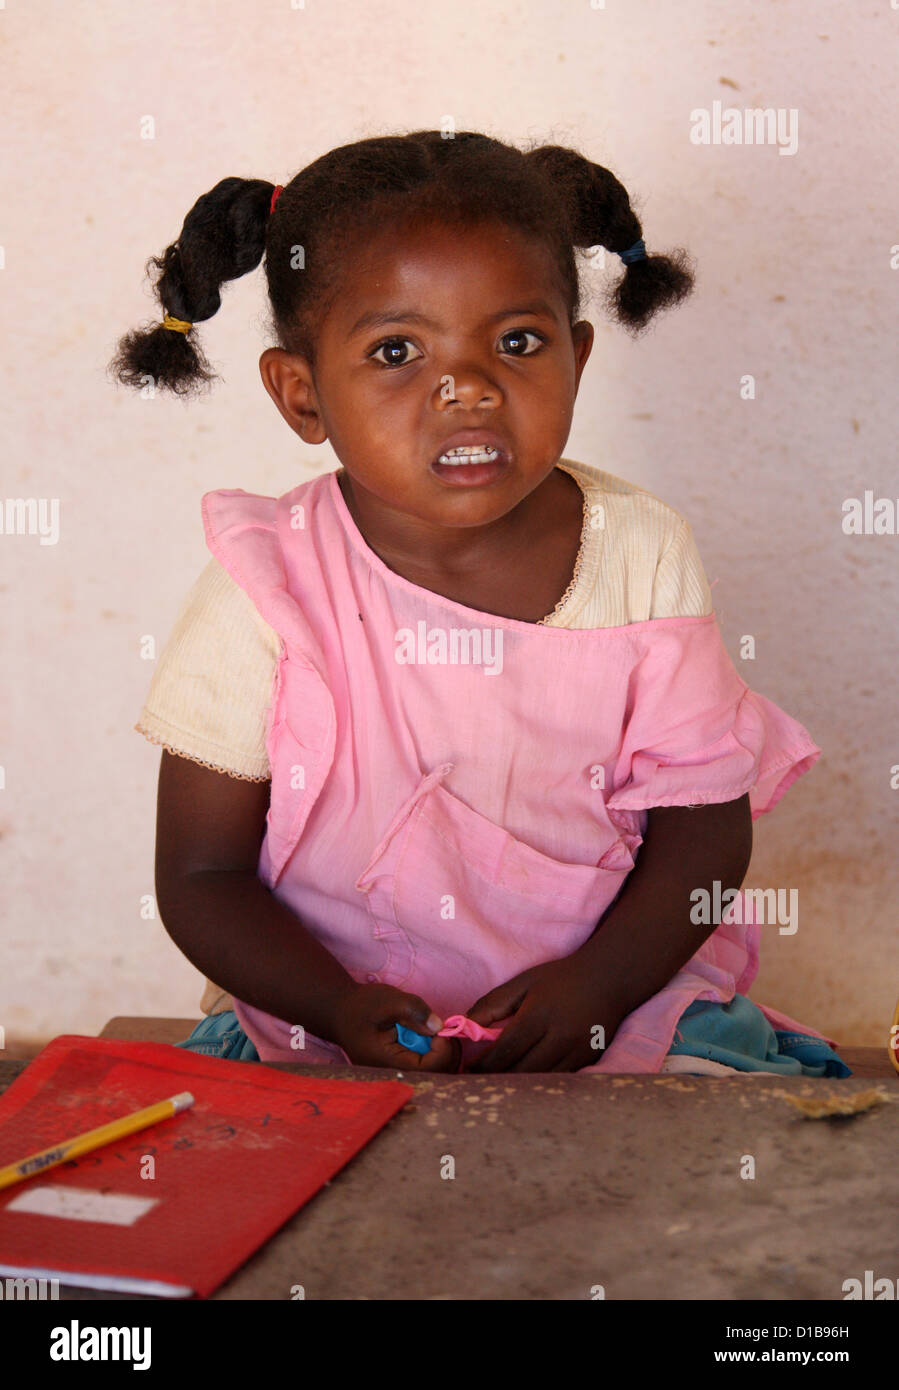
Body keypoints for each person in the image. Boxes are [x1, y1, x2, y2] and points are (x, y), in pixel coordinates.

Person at [110, 130, 849, 1079]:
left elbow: (702, 830)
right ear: (301, 396)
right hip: (321, 1021)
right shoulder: (269, 585)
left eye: (516, 341)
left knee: (705, 1162)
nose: (467, 391)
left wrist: (599, 990)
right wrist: (334, 1008)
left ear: (576, 358)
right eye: (396, 351)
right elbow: (200, 876)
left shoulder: (638, 551)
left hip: (608, 1012)